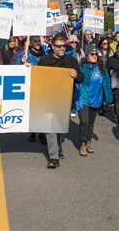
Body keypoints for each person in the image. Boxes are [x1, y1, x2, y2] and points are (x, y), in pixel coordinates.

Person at [37, 33, 84, 168]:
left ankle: (57, 147)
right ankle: (53, 157)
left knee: (61, 129)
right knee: (51, 127)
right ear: (52, 47)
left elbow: (81, 78)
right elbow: (37, 79)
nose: (62, 49)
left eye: (63, 46)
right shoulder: (44, 61)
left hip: (65, 100)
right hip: (49, 99)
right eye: (59, 46)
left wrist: (76, 75)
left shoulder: (71, 61)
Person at [78, 44, 113, 156]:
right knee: (84, 122)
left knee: (91, 123)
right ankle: (83, 142)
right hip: (83, 99)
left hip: (96, 99)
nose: (94, 56)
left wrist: (109, 100)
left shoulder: (102, 68)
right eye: (92, 54)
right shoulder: (81, 67)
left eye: (96, 54)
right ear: (87, 56)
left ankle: (88, 140)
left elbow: (106, 84)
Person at [15, 36, 48, 144]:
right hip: (31, 85)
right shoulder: (25, 54)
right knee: (33, 110)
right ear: (30, 43)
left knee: (43, 110)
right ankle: (33, 132)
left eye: (39, 41)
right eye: (35, 41)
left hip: (43, 86)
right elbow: (14, 67)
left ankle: (42, 133)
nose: (37, 43)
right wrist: (21, 62)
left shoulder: (46, 54)